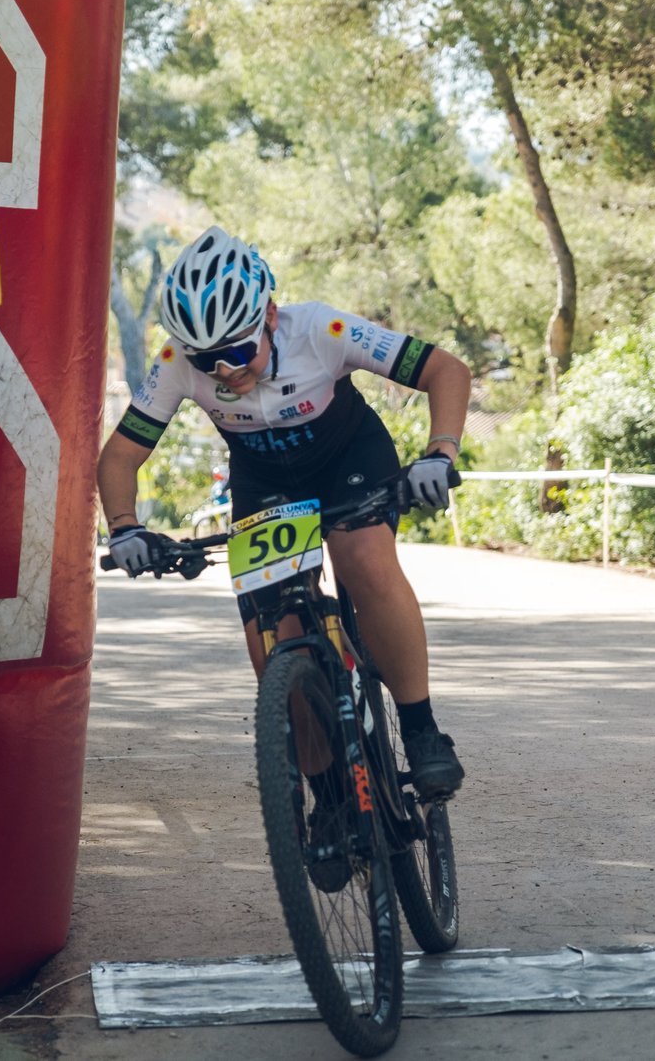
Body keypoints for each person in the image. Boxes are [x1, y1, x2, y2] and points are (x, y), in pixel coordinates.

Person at [96, 226, 470, 796]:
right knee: (273, 642)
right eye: (208, 359)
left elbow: (447, 370)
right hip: (266, 484)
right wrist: (125, 529)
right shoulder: (177, 362)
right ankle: (327, 797)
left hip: (351, 460)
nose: (225, 371)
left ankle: (421, 731)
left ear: (270, 315)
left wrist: (439, 454)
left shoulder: (321, 329)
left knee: (363, 556)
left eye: (239, 352)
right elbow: (120, 456)